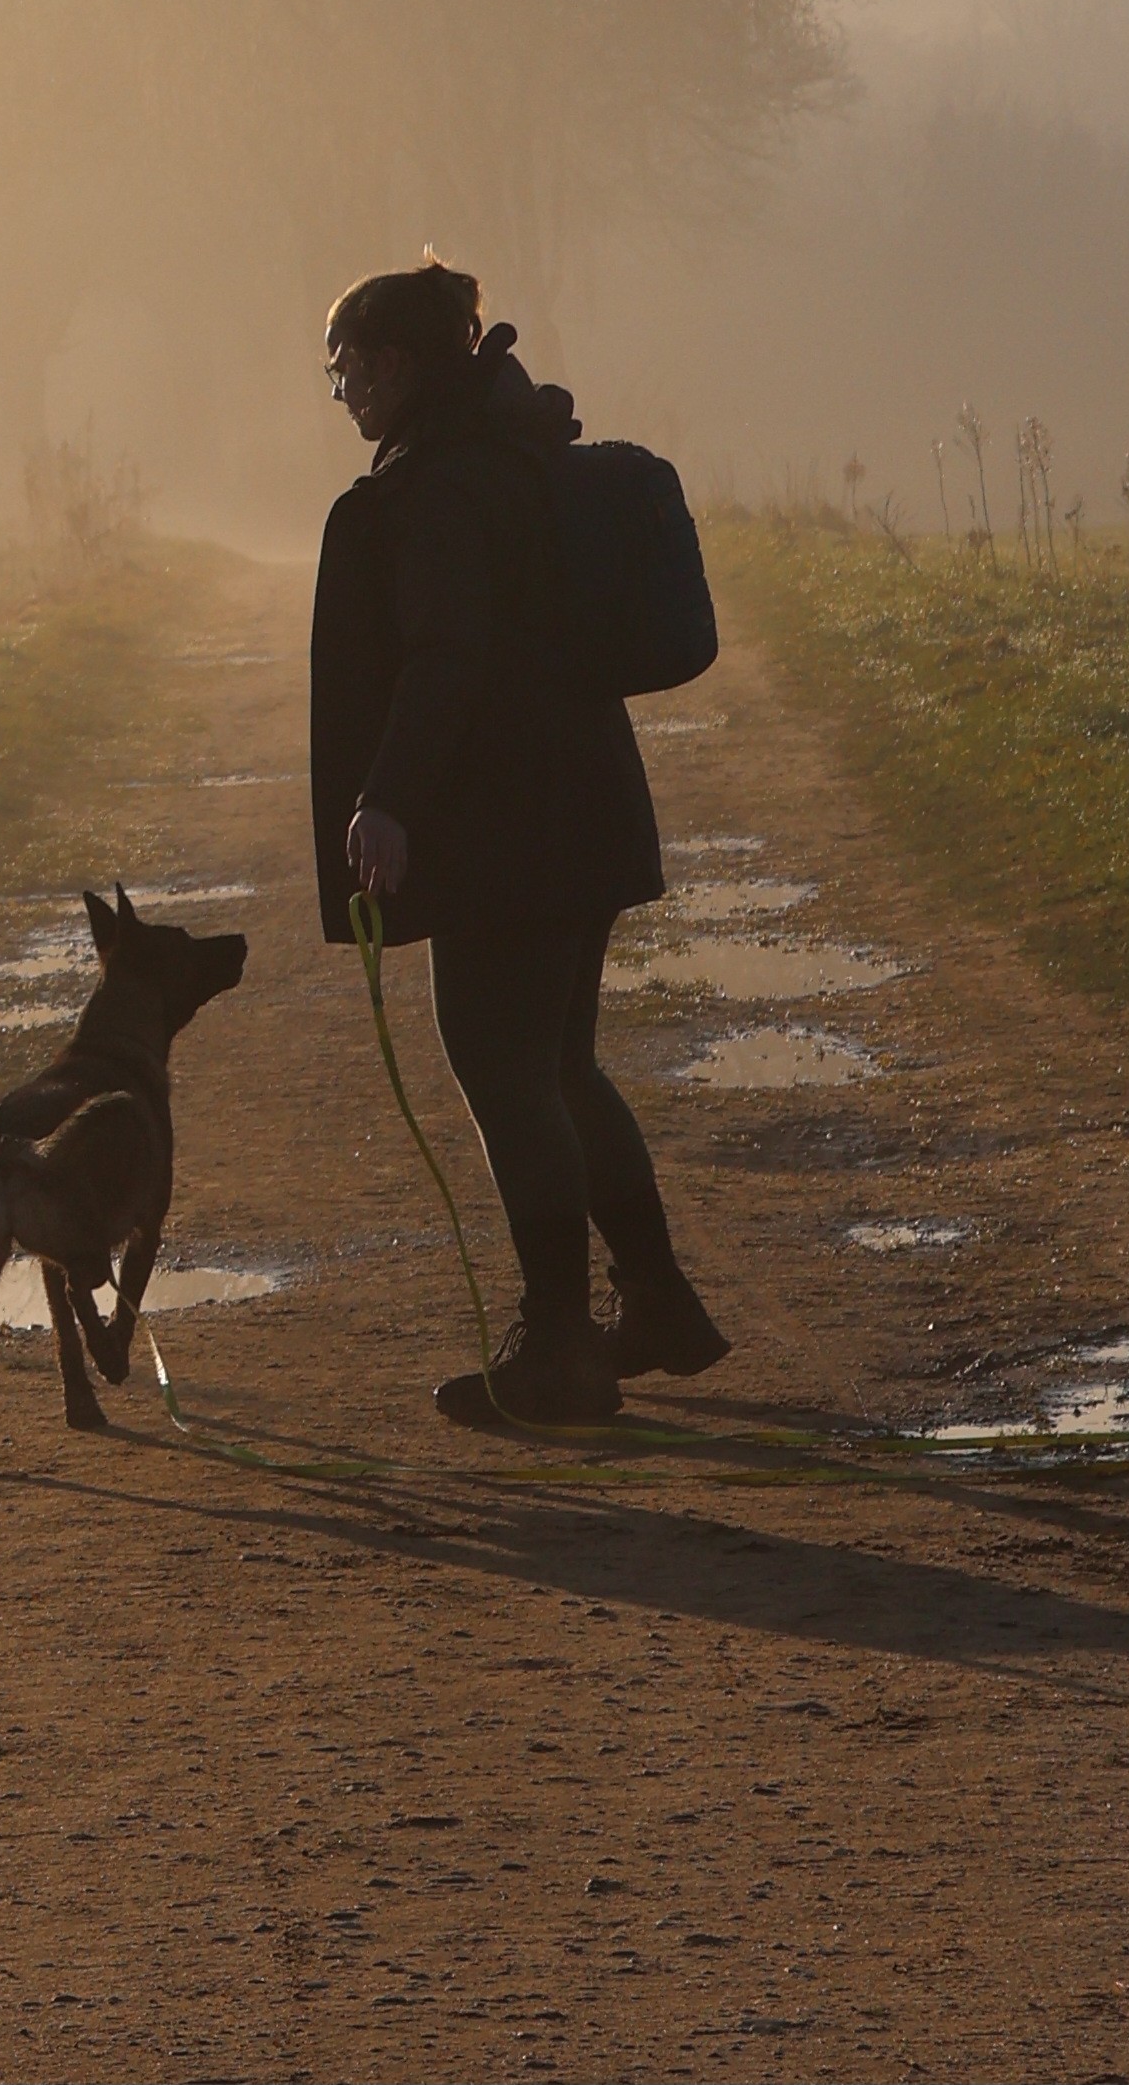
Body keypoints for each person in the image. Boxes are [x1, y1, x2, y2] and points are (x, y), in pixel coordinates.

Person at [309, 257, 729, 1428]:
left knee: (504, 1069)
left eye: (343, 369)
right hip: (578, 811)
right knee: (558, 1067)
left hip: (507, 826)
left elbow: (449, 657)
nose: (340, 393)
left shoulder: (445, 484)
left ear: (395, 363)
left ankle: (560, 1350)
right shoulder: (515, 451)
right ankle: (652, 1303)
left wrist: (386, 798)